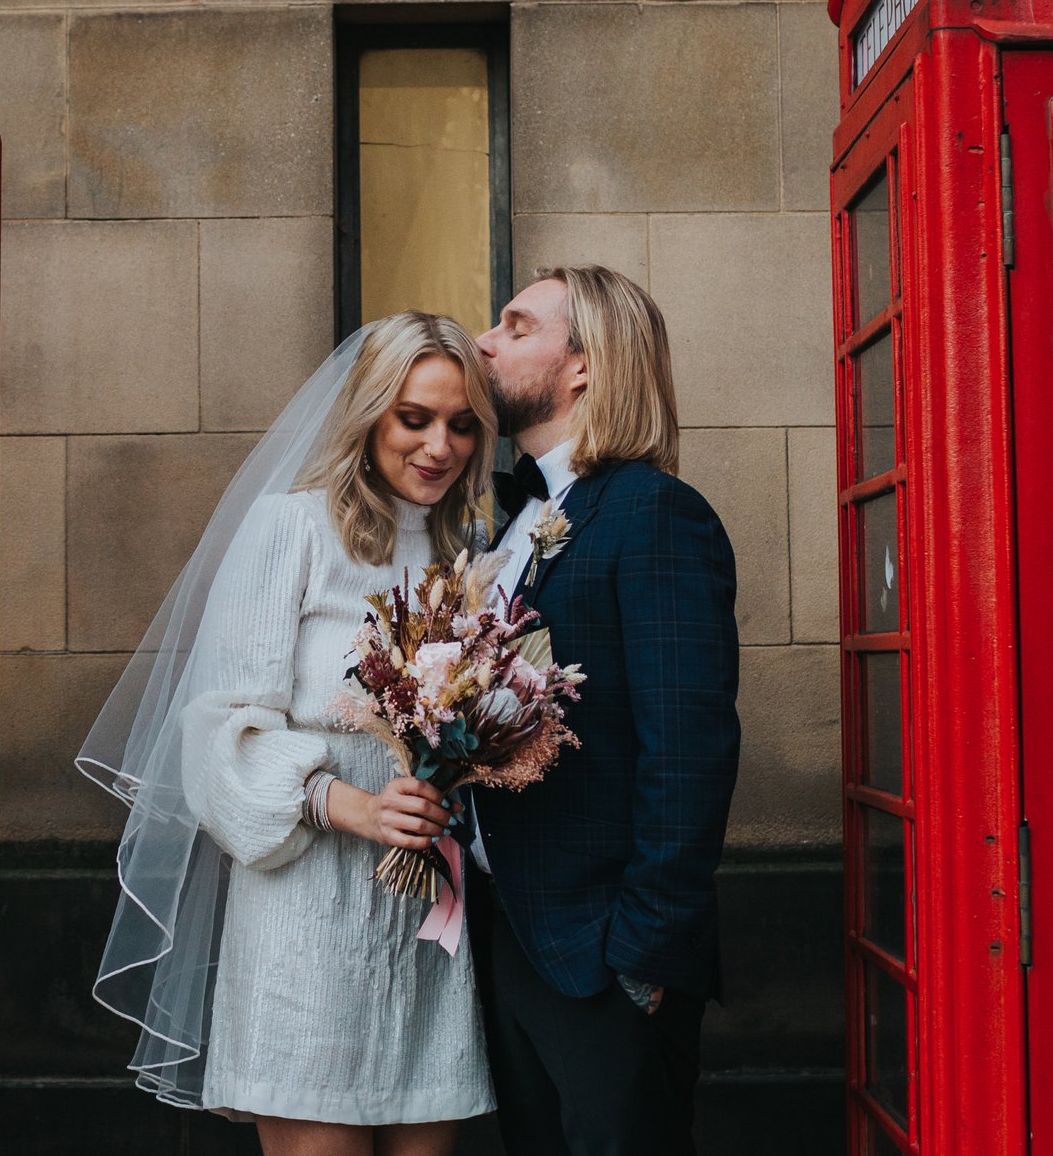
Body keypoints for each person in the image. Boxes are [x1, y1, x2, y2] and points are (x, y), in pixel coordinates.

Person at [77, 312, 500, 1155]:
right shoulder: (294, 527)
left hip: (427, 918)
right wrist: (346, 802)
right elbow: (216, 730)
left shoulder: (473, 546)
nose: (438, 446)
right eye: (413, 418)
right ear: (370, 414)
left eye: (461, 424)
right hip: (306, 912)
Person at [466, 264, 741, 1156]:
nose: (484, 340)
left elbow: (689, 749)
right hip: (509, 938)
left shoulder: (656, 514)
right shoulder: (514, 523)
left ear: (582, 365)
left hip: (603, 955)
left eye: (514, 325)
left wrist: (640, 958)